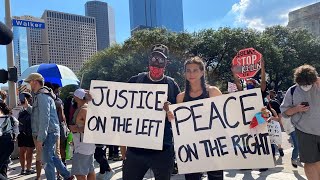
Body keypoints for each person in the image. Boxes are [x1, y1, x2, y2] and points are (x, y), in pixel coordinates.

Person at [122, 44, 181, 180]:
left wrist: (170, 111)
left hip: (163, 151)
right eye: (154, 61)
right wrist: (94, 98)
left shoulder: (172, 85)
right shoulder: (135, 81)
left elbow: (180, 115)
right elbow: (117, 105)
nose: (156, 66)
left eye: (161, 62)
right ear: (149, 61)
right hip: (136, 150)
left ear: (166, 64)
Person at [167, 56, 224, 180]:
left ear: (202, 72)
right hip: (191, 148)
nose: (191, 73)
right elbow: (178, 124)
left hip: (213, 145)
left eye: (195, 70)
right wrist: (171, 116)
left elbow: (228, 115)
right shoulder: (180, 97)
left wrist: (259, 115)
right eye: (188, 70)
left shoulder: (213, 92)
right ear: (185, 73)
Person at [24, 73, 74, 180]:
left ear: (35, 82)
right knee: (53, 157)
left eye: (29, 82)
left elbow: (44, 118)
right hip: (50, 131)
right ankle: (67, 176)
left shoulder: (42, 96)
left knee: (47, 161)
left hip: (48, 133)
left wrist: (40, 138)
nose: (28, 85)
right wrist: (27, 107)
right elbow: (38, 114)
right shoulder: (41, 96)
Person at [280, 64, 320, 180]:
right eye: (303, 84)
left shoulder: (318, 84)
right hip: (304, 132)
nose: (306, 86)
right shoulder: (292, 91)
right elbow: (284, 113)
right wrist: (296, 109)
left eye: (309, 84)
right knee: (310, 162)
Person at [68, 89, 96, 180]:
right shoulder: (86, 108)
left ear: (77, 97)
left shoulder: (84, 109)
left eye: (74, 96)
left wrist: (77, 129)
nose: (73, 97)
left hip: (83, 146)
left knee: (80, 174)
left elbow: (92, 126)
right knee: (90, 170)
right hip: (86, 144)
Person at [0, 100, 19, 180]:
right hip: (9, 143)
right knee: (4, 165)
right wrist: (14, 137)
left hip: (2, 142)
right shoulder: (11, 118)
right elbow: (16, 129)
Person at [18, 92, 36, 175]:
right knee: (29, 151)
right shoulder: (31, 108)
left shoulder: (18, 108)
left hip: (21, 132)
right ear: (28, 99)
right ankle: (28, 169)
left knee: (22, 151)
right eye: (30, 98)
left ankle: (23, 169)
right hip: (29, 133)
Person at [266, 90, 284, 157]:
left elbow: (278, 114)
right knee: (276, 136)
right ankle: (279, 148)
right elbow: (279, 114)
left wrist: (279, 120)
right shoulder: (276, 101)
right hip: (274, 123)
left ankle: (276, 151)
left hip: (272, 122)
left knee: (273, 137)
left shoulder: (271, 103)